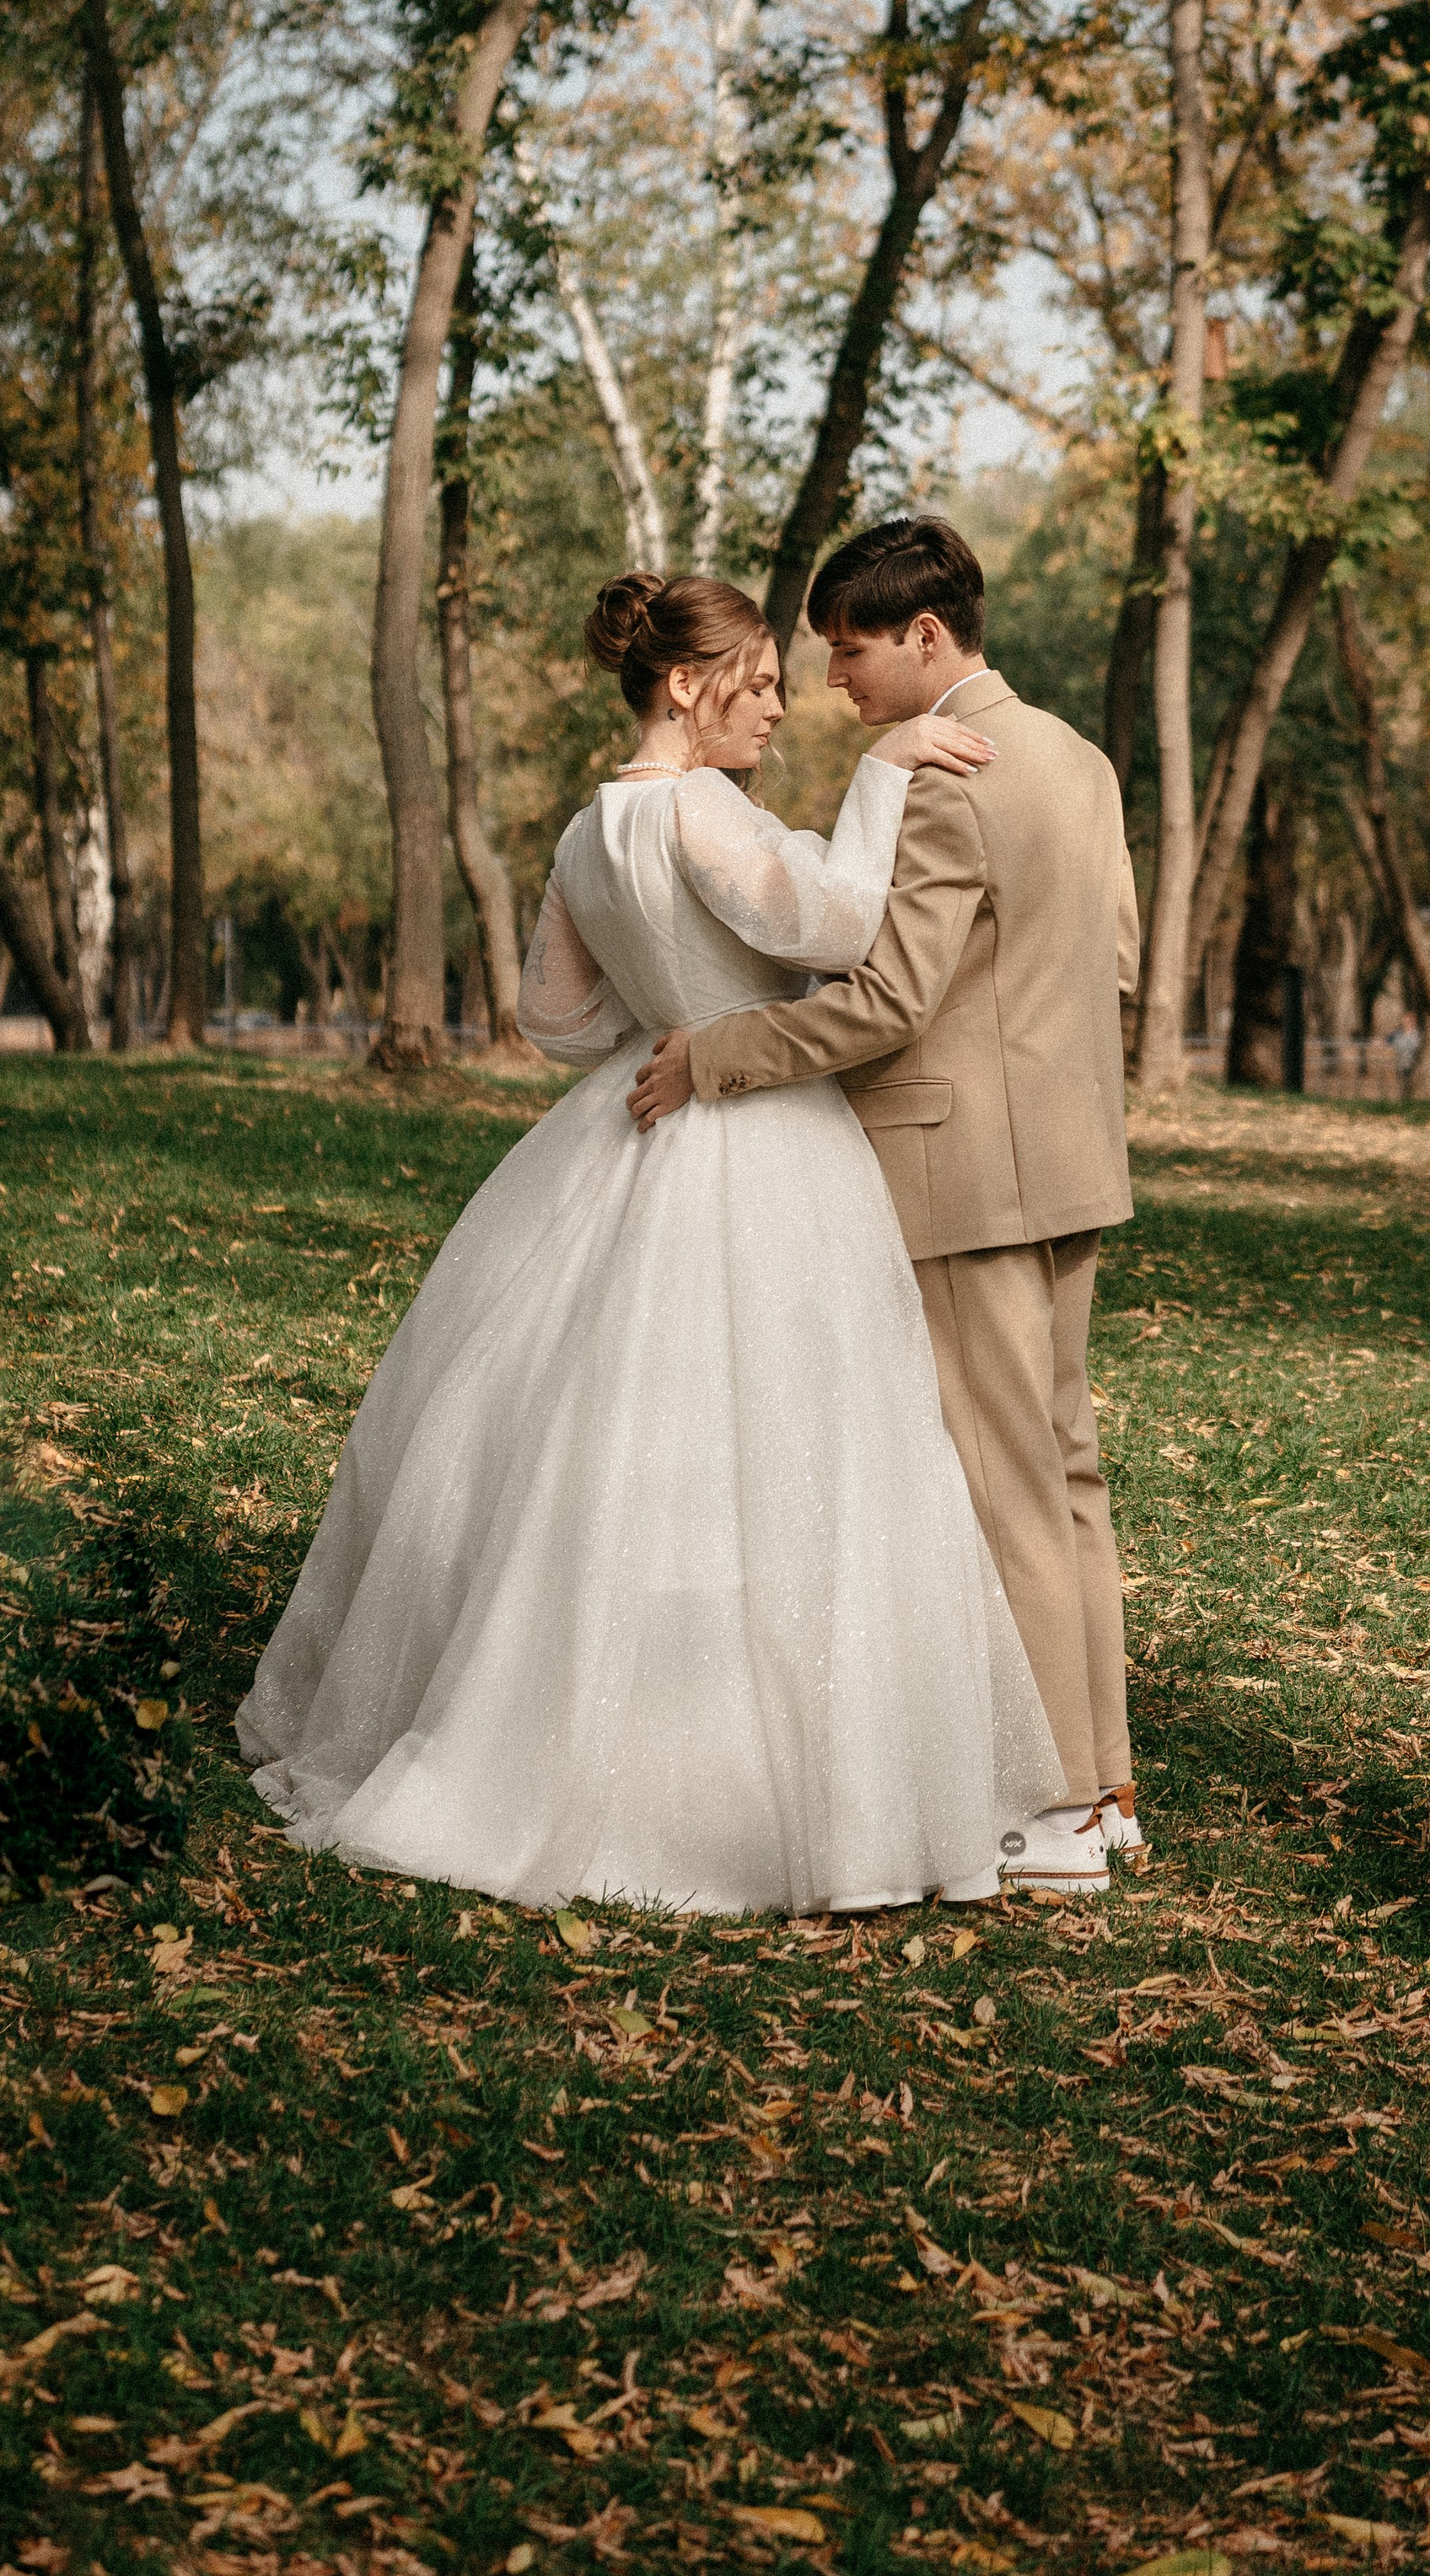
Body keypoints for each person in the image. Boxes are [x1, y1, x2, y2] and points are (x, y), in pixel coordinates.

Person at [237, 572, 1062, 1917]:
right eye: (757, 684)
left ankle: (609, 1729)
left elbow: (555, 1022)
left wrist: (660, 1004)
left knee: (606, 1449)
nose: (780, 709)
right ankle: (741, 1789)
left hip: (627, 1131)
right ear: (686, 685)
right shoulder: (698, 808)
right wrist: (883, 775)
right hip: (763, 1141)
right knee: (781, 1444)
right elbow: (841, 927)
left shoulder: (586, 831)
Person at [629, 518, 1143, 1897]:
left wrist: (720, 1055)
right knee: (1065, 1475)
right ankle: (1106, 1785)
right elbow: (1117, 961)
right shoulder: (1080, 761)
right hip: (1072, 1161)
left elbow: (892, 999)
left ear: (927, 636)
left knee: (1000, 1486)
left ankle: (1049, 1809)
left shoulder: (942, 782)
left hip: (955, 1169)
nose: (839, 681)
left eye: (851, 652)